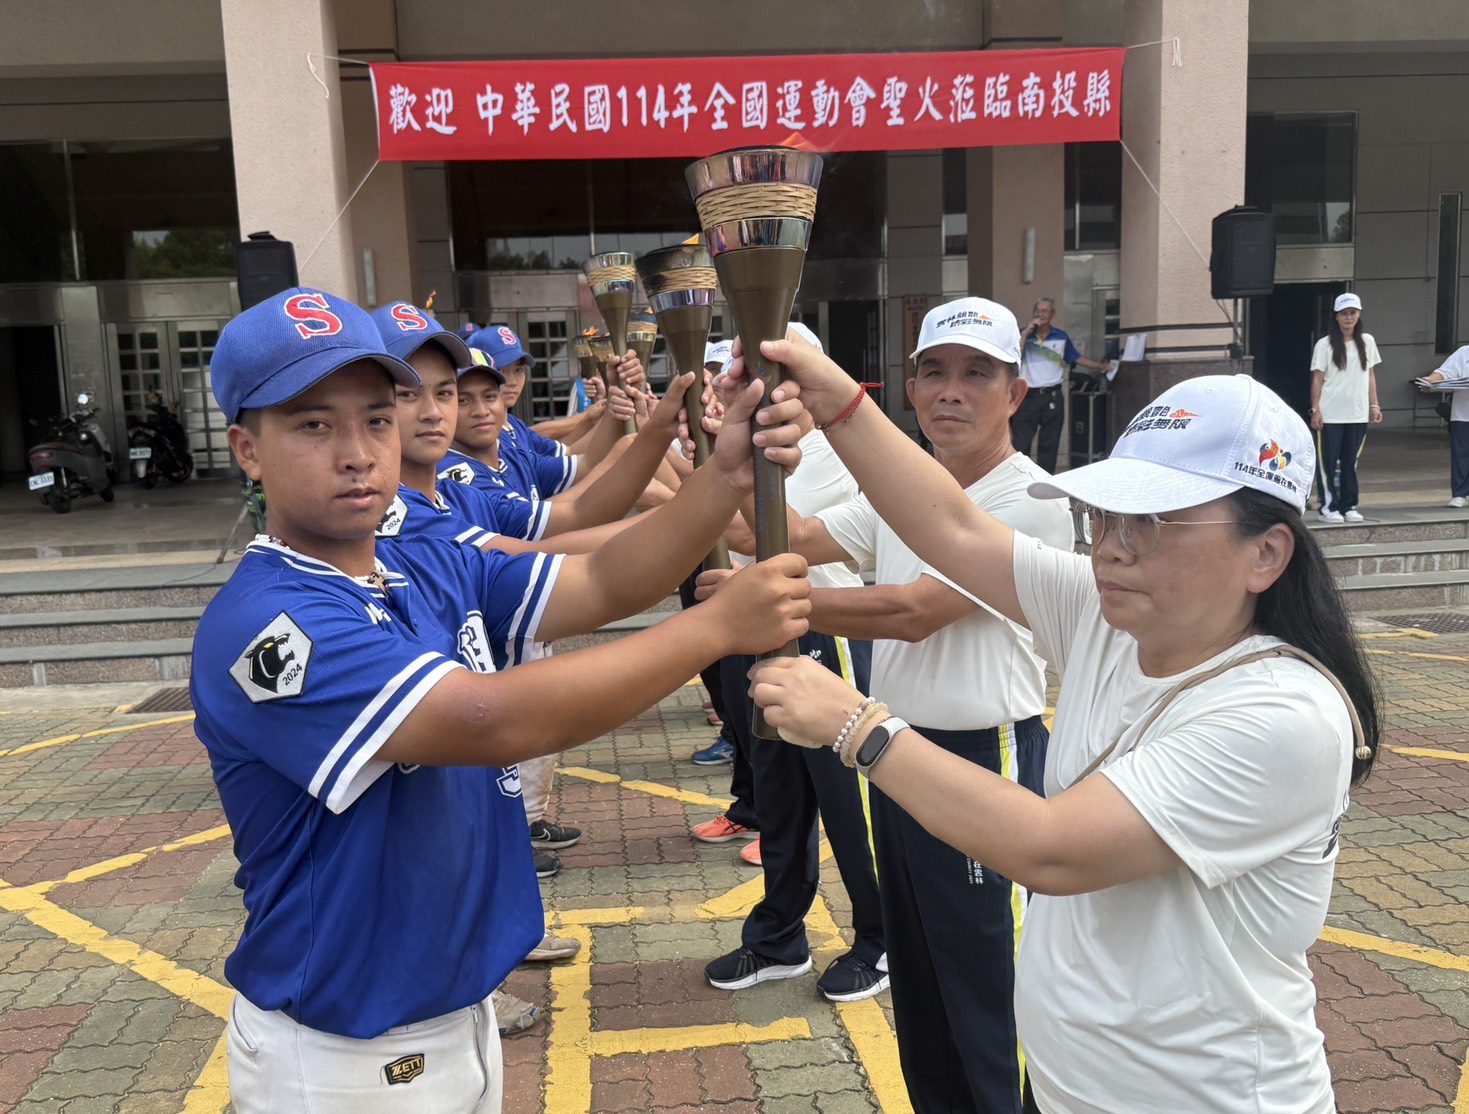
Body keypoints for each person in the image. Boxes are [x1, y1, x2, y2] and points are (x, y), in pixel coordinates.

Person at [195, 287, 813, 1113]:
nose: (357, 452)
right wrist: (715, 629)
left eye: (376, 419)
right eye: (314, 424)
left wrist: (727, 471)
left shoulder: (419, 555)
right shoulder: (267, 623)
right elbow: (488, 719)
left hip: (453, 1013)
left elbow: (601, 577)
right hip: (346, 1052)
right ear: (247, 448)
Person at [741, 335, 1380, 1114]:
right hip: (1070, 1085)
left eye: (1152, 524)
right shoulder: (1105, 617)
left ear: (1265, 554)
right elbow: (953, 529)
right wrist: (836, 400)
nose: (1110, 548)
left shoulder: (1283, 714)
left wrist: (856, 726)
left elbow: (1050, 848)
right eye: (1105, 516)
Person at [703, 298, 1070, 1111]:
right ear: (908, 387)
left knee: (990, 996)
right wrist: (729, 453)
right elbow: (783, 536)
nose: (951, 392)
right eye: (933, 372)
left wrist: (762, 605)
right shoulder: (905, 490)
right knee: (925, 992)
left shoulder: (1031, 497)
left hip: (986, 757)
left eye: (977, 374)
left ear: (1014, 393)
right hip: (899, 758)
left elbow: (914, 609)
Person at [701, 323, 887, 1003]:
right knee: (778, 801)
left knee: (849, 807)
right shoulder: (754, 448)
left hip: (826, 642)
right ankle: (778, 937)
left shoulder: (831, 454)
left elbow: (753, 533)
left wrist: (727, 463)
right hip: (760, 637)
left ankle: (879, 936)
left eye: (769, 377)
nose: (753, 391)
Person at [1012, 297, 1111, 473]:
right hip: (1028, 396)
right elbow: (1014, 354)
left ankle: (1045, 481)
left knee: (1049, 444)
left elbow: (1076, 357)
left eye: (1045, 311)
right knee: (1021, 444)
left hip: (1053, 395)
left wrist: (1099, 366)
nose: (1040, 314)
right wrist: (1027, 331)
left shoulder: (1060, 337)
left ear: (1052, 314)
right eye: (1038, 310)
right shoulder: (1023, 336)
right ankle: (1019, 480)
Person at [1310, 291, 1383, 523]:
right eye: (1344, 314)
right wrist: (1316, 409)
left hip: (1357, 413)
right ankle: (1328, 507)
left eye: (1352, 313)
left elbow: (1370, 375)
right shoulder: (1325, 344)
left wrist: (1374, 405)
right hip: (1331, 414)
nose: (1348, 318)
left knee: (1350, 463)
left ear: (1359, 315)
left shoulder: (1367, 341)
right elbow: (1318, 379)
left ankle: (1349, 505)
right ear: (1336, 317)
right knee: (1327, 463)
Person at [1417, 343, 1469, 507]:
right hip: (1463, 414)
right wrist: (1431, 381)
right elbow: (1444, 372)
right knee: (1461, 454)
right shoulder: (1464, 352)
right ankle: (1460, 494)